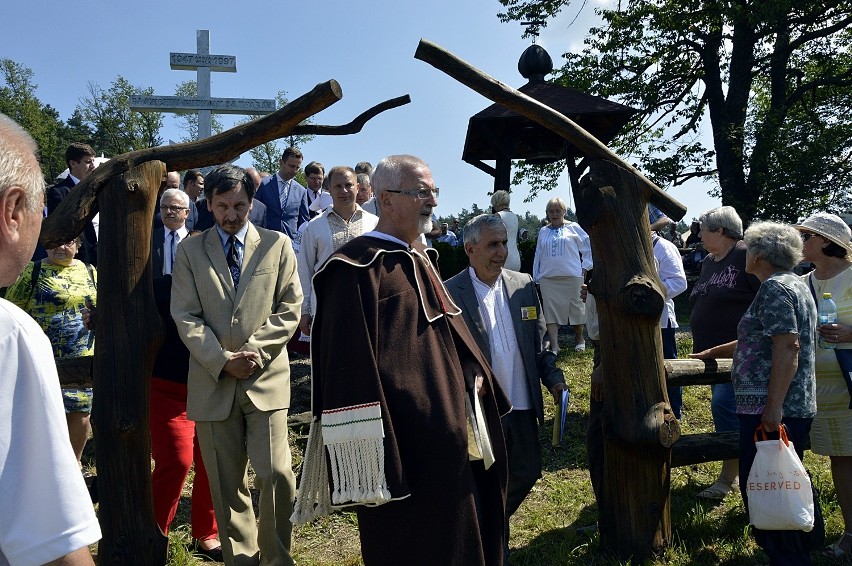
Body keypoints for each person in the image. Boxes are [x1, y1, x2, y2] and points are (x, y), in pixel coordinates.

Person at [292, 155, 510, 566]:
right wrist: (376, 457)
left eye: (433, 191)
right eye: (420, 192)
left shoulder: (421, 258)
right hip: (403, 445)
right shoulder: (353, 268)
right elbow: (347, 367)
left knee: (462, 534)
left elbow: (447, 334)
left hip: (452, 432)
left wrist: (472, 372)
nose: (431, 201)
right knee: (414, 544)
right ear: (386, 200)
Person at [170, 164, 302, 566]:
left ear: (252, 203)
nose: (231, 214)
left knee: (276, 475)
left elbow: (290, 307)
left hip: (266, 379)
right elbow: (185, 315)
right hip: (213, 381)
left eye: (240, 205)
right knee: (226, 484)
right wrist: (223, 361)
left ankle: (277, 558)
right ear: (207, 204)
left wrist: (255, 353)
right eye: (223, 205)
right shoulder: (190, 251)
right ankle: (241, 559)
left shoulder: (277, 245)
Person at [0, 112, 101, 565]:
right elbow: (54, 545)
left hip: (81, 361)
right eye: (41, 211)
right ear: (13, 211)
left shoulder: (89, 273)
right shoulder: (12, 336)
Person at [692, 221, 819, 566]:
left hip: (774, 406)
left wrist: (773, 408)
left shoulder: (775, 289)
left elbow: (788, 345)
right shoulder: (792, 284)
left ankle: (788, 556)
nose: (745, 253)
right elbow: (762, 335)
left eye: (750, 247)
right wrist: (713, 352)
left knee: (770, 482)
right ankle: (802, 543)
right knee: (786, 476)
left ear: (760, 254)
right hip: (787, 404)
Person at [444, 213, 566, 562]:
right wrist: (467, 371)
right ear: (470, 249)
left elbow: (540, 343)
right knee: (485, 481)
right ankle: (494, 547)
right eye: (493, 244)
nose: (502, 251)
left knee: (527, 471)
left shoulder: (524, 284)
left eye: (504, 243)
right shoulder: (451, 292)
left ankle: (485, 530)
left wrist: (554, 379)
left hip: (524, 403)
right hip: (484, 411)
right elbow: (447, 351)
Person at [6, 236, 97, 470]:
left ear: (78, 247)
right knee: (44, 414)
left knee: (80, 412)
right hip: (43, 359)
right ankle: (42, 469)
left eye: (69, 243)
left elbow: (102, 308)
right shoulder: (31, 272)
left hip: (83, 358)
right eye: (55, 242)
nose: (61, 247)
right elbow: (12, 314)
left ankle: (72, 466)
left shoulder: (91, 272)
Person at [689, 206, 761, 501]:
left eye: (703, 228)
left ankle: (728, 479)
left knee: (725, 407)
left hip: (742, 355)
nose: (699, 234)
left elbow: (765, 298)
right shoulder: (708, 260)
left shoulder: (746, 255)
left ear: (720, 231)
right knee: (728, 409)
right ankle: (746, 472)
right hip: (715, 355)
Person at [795, 212, 852, 558]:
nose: (800, 242)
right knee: (842, 460)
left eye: (806, 236)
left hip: (851, 385)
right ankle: (851, 534)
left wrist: (850, 334)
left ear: (826, 242)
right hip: (823, 392)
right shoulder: (803, 283)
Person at [296, 166, 378, 341]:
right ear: (329, 190)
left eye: (349, 185)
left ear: (357, 187)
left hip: (366, 305)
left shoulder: (375, 224)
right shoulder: (314, 226)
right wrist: (304, 311)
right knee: (328, 361)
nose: (344, 191)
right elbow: (305, 269)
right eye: (338, 186)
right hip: (326, 306)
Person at [533, 197, 592, 354]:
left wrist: (585, 268)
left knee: (577, 309)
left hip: (572, 276)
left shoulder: (574, 228)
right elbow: (538, 255)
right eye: (551, 211)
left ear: (564, 211)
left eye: (558, 210)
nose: (554, 214)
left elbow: (588, 247)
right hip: (548, 278)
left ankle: (579, 339)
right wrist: (537, 276)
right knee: (550, 312)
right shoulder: (543, 231)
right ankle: (554, 346)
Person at [652, 229, 688, 418]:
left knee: (668, 367)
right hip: (635, 319)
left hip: (661, 321)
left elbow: (679, 282)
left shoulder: (664, 247)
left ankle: (674, 411)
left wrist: (651, 294)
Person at [46, 142, 99, 266]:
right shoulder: (58, 192)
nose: (93, 166)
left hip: (102, 251)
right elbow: (63, 228)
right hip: (78, 257)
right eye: (88, 162)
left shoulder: (98, 188)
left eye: (93, 161)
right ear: (73, 163)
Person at [255, 147, 309, 241]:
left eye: (297, 167)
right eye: (292, 166)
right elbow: (255, 214)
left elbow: (303, 223)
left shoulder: (301, 191)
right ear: (281, 162)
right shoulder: (263, 184)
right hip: (264, 241)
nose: (295, 171)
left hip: (290, 243)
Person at [491, 190, 521, 271]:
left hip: (503, 258)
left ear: (496, 202)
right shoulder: (515, 217)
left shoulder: (497, 216)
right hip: (515, 258)